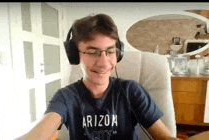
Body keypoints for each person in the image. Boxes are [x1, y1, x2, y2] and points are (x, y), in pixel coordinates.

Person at [15, 14, 181, 140]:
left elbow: (164, 137)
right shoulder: (66, 97)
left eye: (110, 52)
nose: (103, 63)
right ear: (74, 55)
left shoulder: (132, 91)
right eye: (92, 52)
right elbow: (39, 133)